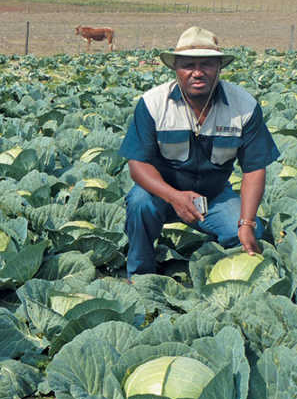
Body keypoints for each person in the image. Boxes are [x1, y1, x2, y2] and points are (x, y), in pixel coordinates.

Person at [118, 26, 280, 278]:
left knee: (250, 233)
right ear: (175, 68)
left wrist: (246, 222)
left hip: (213, 197)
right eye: (188, 64)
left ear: (219, 68)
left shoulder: (244, 106)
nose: (197, 72)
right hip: (161, 193)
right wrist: (174, 196)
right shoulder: (153, 103)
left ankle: (216, 275)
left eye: (206, 64)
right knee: (140, 202)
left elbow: (254, 168)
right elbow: (137, 165)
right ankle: (140, 275)